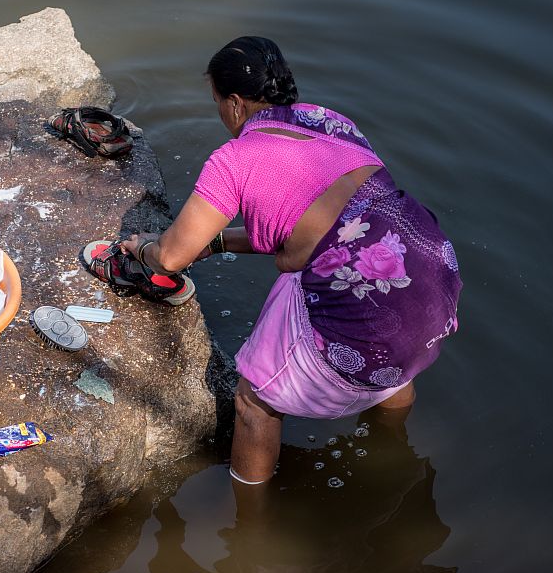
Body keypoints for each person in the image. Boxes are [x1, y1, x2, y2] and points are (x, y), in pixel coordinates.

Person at [115, 36, 462, 486]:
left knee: (254, 400)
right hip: (429, 281)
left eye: (218, 102)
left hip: (365, 314)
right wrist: (218, 244)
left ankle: (250, 524)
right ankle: (392, 450)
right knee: (389, 344)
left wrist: (142, 247)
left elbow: (172, 257)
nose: (220, 113)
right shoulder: (330, 121)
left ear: (236, 103)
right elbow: (314, 231)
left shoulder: (235, 160)